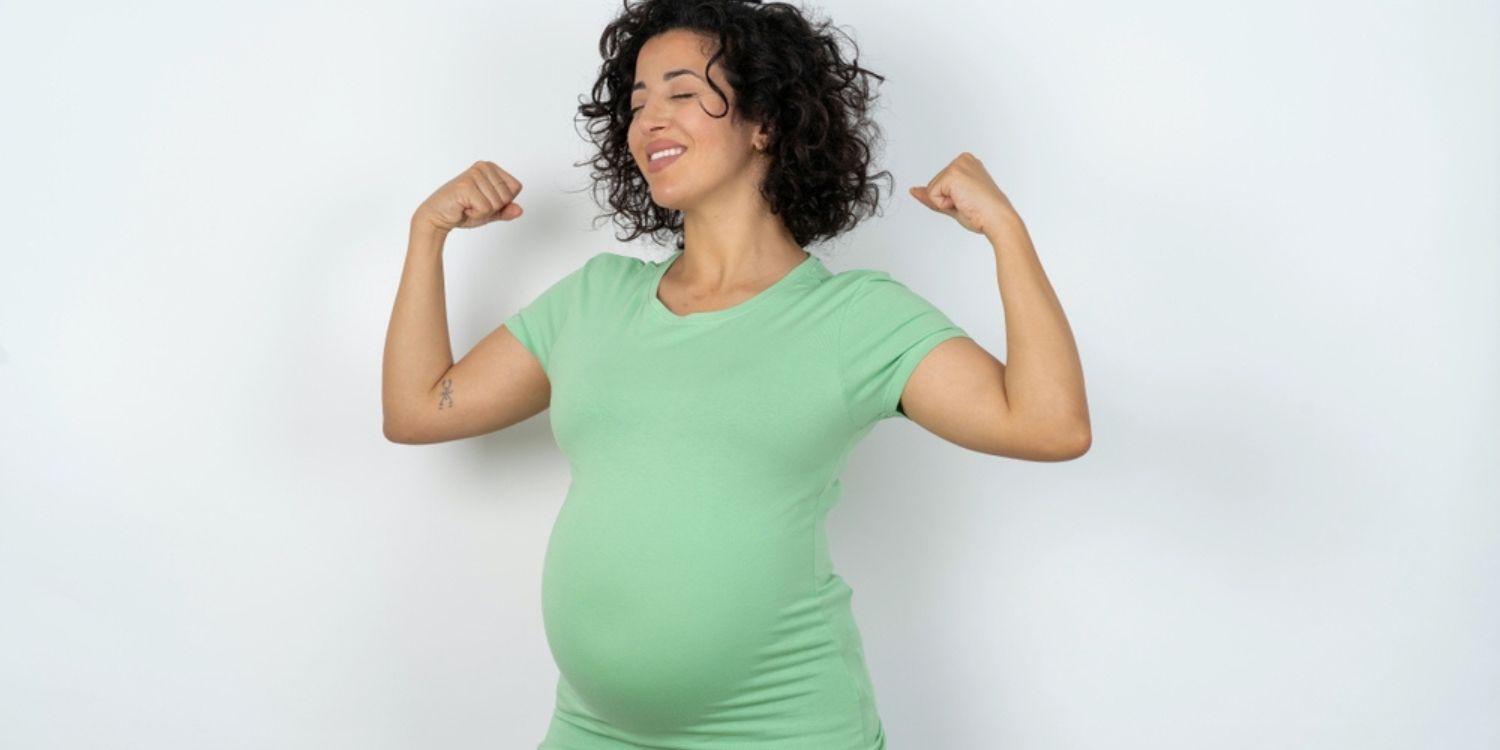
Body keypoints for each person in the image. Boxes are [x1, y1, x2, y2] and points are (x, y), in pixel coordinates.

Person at [382, 1, 1090, 747]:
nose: (650, 118)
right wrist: (426, 236)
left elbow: (1049, 425)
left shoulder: (853, 318)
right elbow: (419, 410)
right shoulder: (593, 301)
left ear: (765, 122)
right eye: (638, 102)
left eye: (683, 94)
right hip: (594, 730)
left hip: (783, 729)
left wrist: (1005, 231)